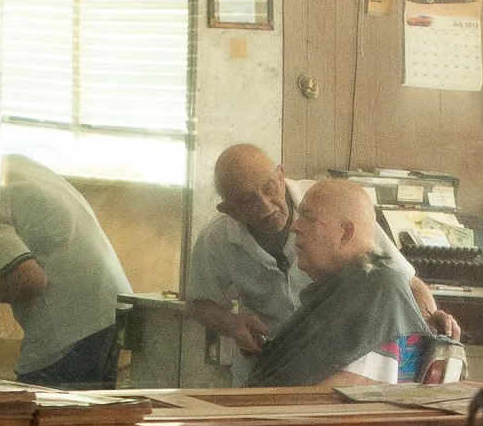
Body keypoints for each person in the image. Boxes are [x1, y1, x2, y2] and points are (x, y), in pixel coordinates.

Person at [248, 183, 442, 388]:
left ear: (346, 233)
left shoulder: (378, 290)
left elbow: (350, 390)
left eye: (307, 218)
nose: (295, 226)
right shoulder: (343, 290)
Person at [0, 153, 129, 386]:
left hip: (70, 329)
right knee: (91, 416)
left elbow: (29, 280)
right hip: (113, 309)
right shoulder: (15, 165)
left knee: (41, 416)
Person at [184, 144, 307, 362]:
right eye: (248, 200)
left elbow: (386, 274)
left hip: (341, 361)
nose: (266, 205)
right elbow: (198, 301)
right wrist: (231, 323)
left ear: (281, 174)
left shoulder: (329, 205)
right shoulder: (216, 237)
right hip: (266, 361)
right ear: (230, 210)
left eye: (269, 188)